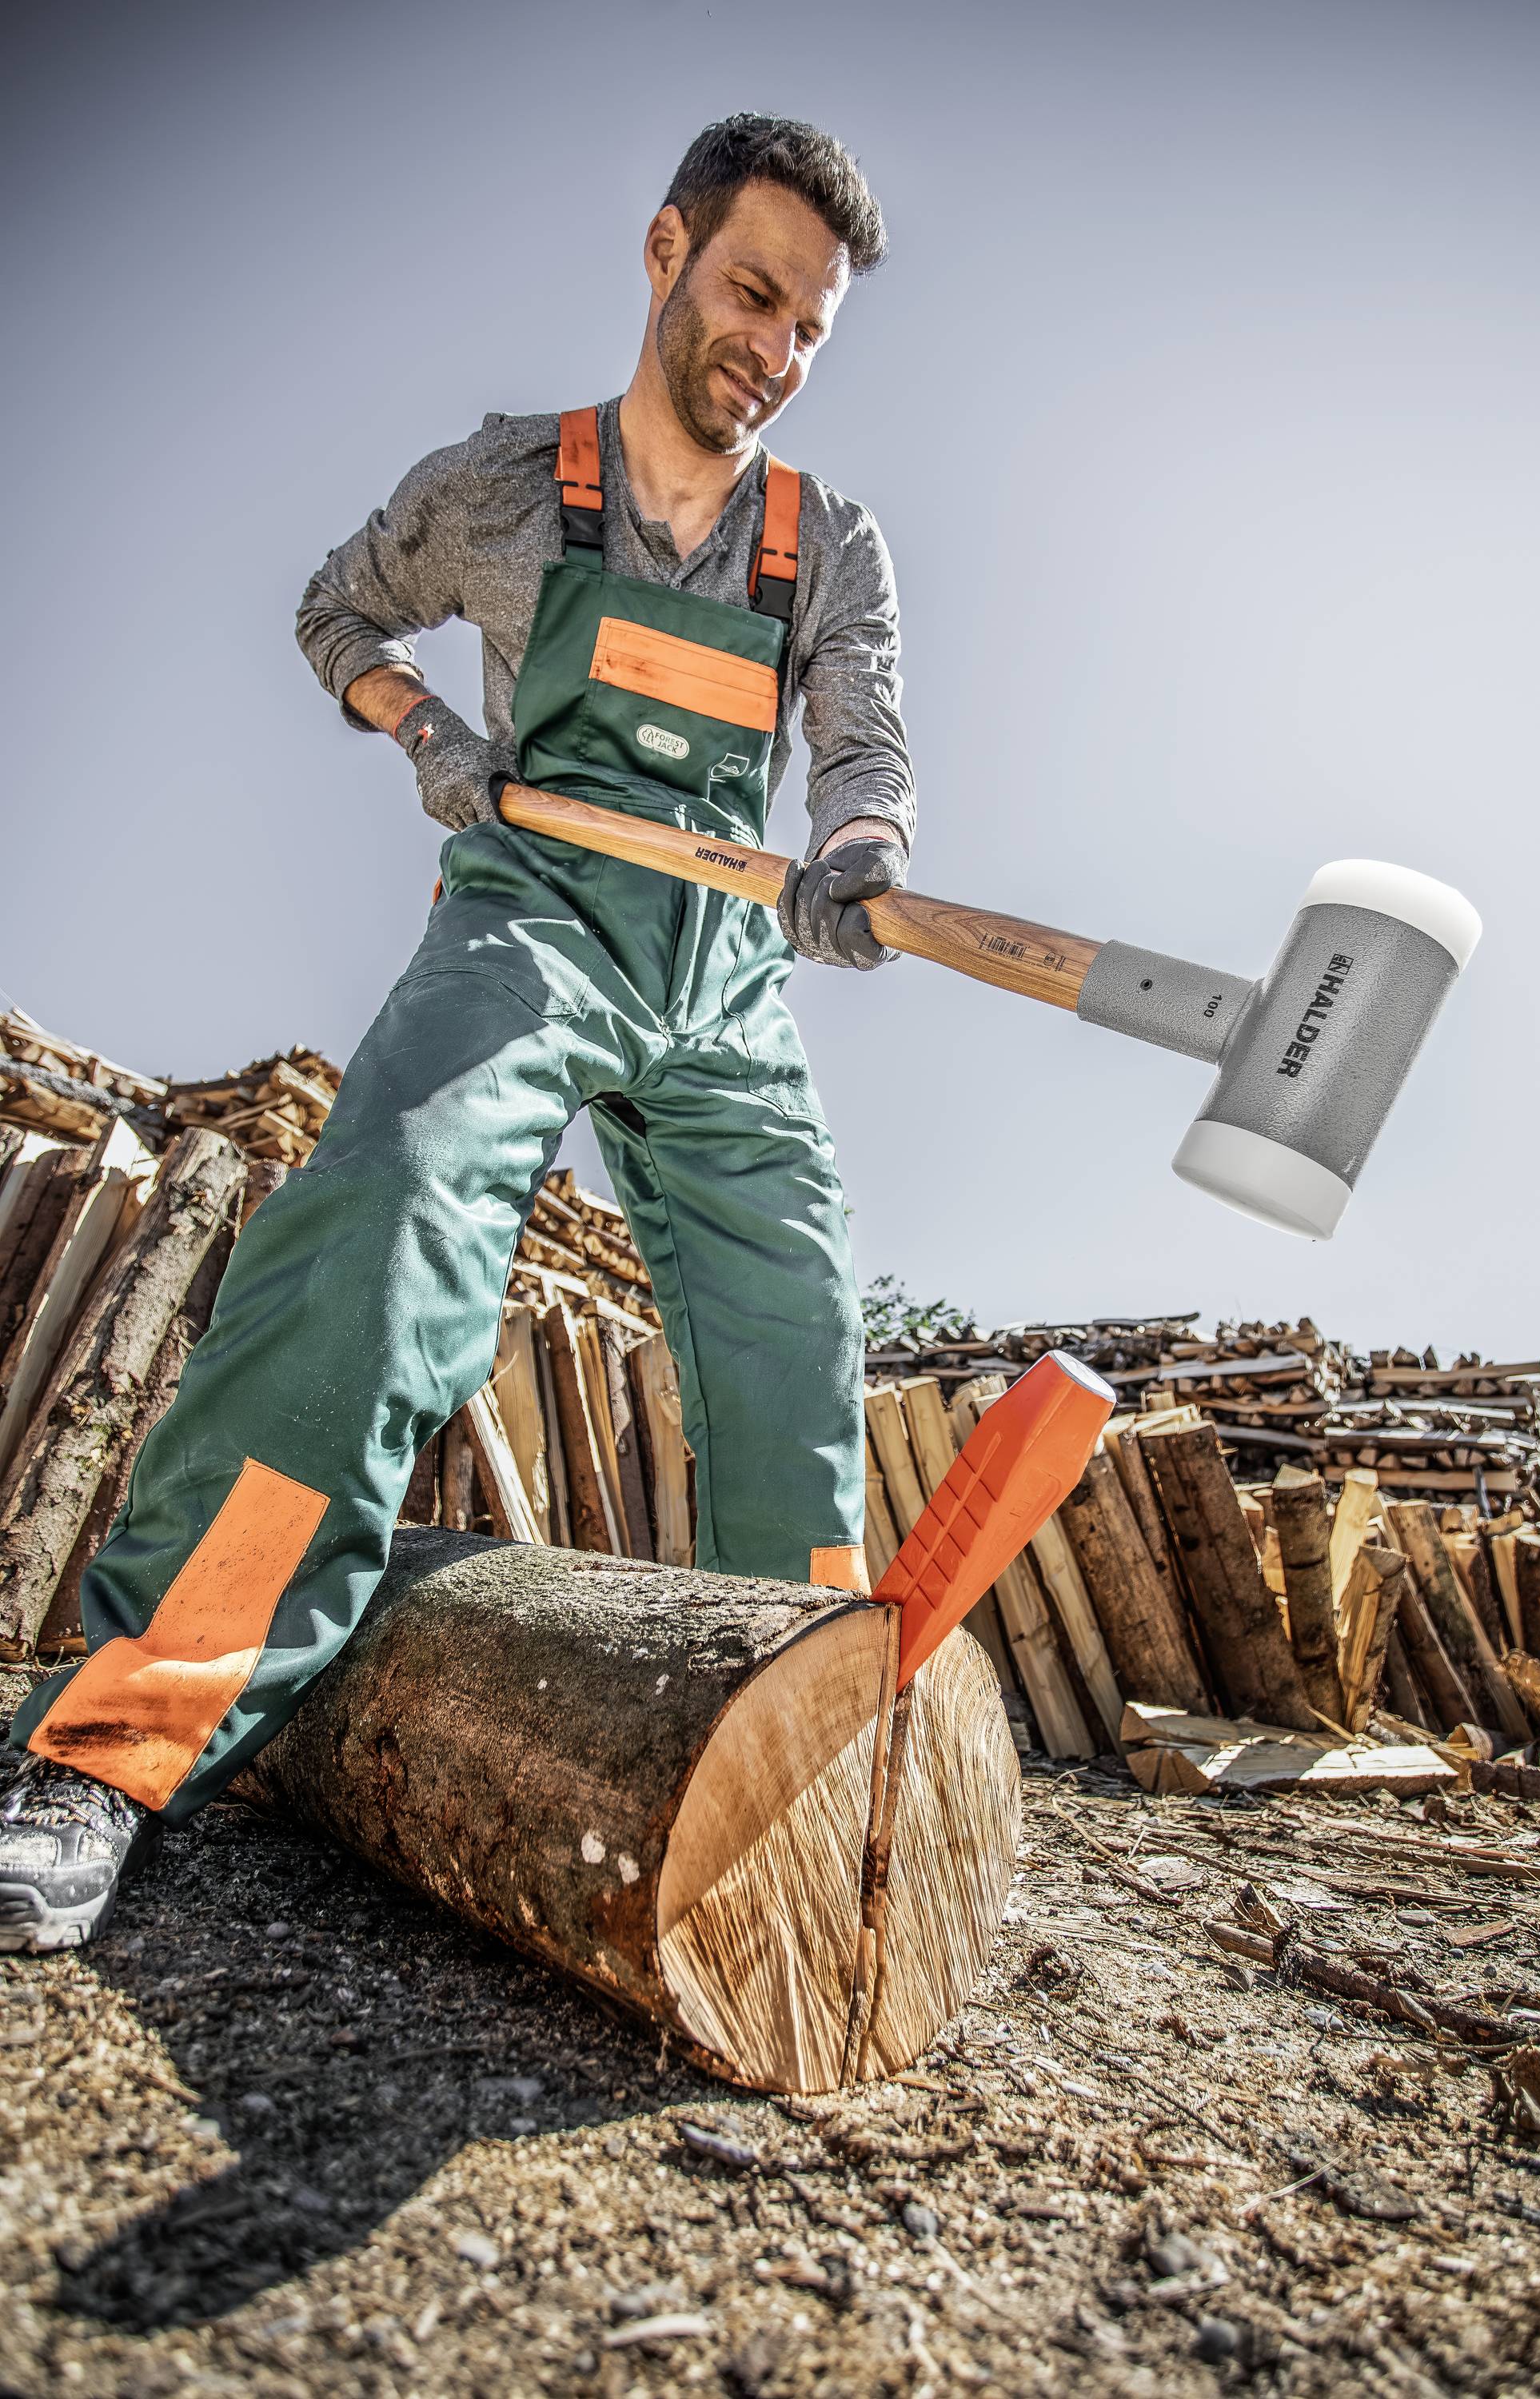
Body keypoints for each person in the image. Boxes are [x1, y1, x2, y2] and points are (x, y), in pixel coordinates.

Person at [0, 115, 916, 1954]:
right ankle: (118, 1740)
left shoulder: (828, 542)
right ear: (665, 252)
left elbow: (867, 751)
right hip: (531, 918)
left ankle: (801, 1796)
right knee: (388, 1214)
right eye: (753, 293)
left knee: (798, 1330)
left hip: (725, 972)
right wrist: (421, 727)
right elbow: (331, 605)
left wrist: (857, 855)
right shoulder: (502, 486)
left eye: (810, 327)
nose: (775, 348)